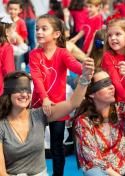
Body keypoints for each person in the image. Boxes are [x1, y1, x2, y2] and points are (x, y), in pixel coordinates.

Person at [0, 59, 94, 176]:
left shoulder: (38, 115)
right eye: (18, 90)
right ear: (8, 94)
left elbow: (73, 103)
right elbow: (0, 172)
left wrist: (85, 78)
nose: (24, 94)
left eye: (27, 90)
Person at [29, 14, 83, 176]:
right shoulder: (34, 54)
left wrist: (87, 67)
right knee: (35, 145)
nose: (39, 32)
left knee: (57, 147)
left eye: (44, 29)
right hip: (39, 104)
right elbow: (37, 78)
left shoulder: (63, 53)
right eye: (37, 28)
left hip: (58, 108)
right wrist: (44, 98)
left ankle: (57, 174)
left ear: (56, 34)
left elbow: (76, 67)